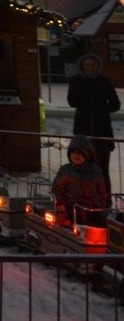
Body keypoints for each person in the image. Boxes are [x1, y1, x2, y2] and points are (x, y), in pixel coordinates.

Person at [67, 52, 121, 204]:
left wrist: (101, 108)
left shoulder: (104, 81)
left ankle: (104, 200)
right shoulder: (76, 81)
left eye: (93, 65)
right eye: (87, 64)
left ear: (98, 66)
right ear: (82, 66)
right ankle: (80, 199)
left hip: (101, 131)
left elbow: (115, 104)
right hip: (82, 131)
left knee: (101, 168)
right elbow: (72, 101)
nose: (90, 68)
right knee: (80, 167)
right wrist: (87, 102)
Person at [52, 135, 107, 224]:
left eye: (80, 153)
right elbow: (57, 189)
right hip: (72, 206)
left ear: (87, 154)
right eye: (74, 152)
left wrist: (101, 207)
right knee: (81, 215)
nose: (76, 155)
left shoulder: (96, 171)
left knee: (105, 219)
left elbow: (102, 192)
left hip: (92, 207)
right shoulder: (66, 170)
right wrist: (60, 206)